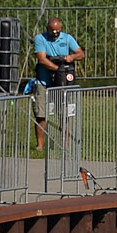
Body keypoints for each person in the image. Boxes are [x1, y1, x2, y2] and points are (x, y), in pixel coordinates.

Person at [29, 16, 83, 151]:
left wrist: (71, 57)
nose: (55, 34)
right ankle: (40, 145)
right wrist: (57, 69)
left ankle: (65, 145)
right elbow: (42, 59)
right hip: (44, 80)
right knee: (41, 114)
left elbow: (81, 54)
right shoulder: (40, 39)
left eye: (57, 32)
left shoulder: (67, 38)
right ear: (47, 29)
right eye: (52, 31)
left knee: (64, 113)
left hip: (62, 82)